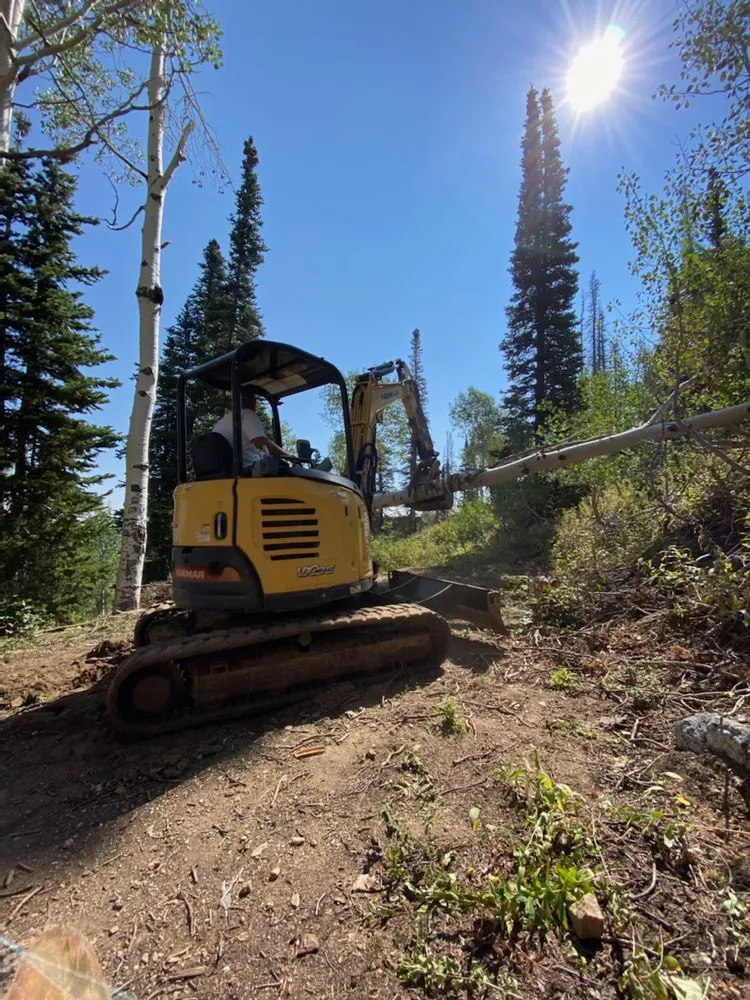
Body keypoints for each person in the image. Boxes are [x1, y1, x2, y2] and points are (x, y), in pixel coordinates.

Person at [213, 388, 295, 469]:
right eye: (255, 401)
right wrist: (290, 456)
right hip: (247, 471)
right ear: (252, 402)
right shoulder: (247, 414)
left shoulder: (221, 422)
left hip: (225, 474)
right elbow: (261, 442)